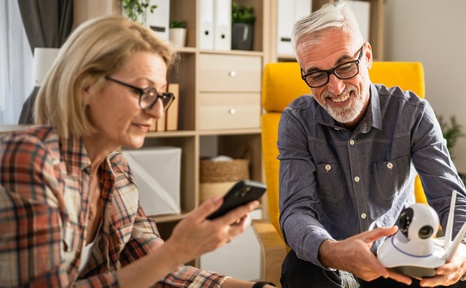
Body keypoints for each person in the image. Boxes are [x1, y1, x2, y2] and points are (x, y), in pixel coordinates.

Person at [0, 15, 275, 288]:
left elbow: (154, 266)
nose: (157, 111)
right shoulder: (29, 159)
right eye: (144, 92)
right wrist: (178, 249)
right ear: (85, 86)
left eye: (162, 96)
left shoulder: (116, 171)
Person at [278, 2, 466, 288]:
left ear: (366, 56)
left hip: (401, 259)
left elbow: (452, 201)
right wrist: (332, 251)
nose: (335, 88)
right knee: (299, 268)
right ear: (304, 74)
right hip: (338, 265)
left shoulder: (412, 113)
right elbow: (295, 211)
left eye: (344, 66)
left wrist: (465, 253)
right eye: (317, 75)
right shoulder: (296, 121)